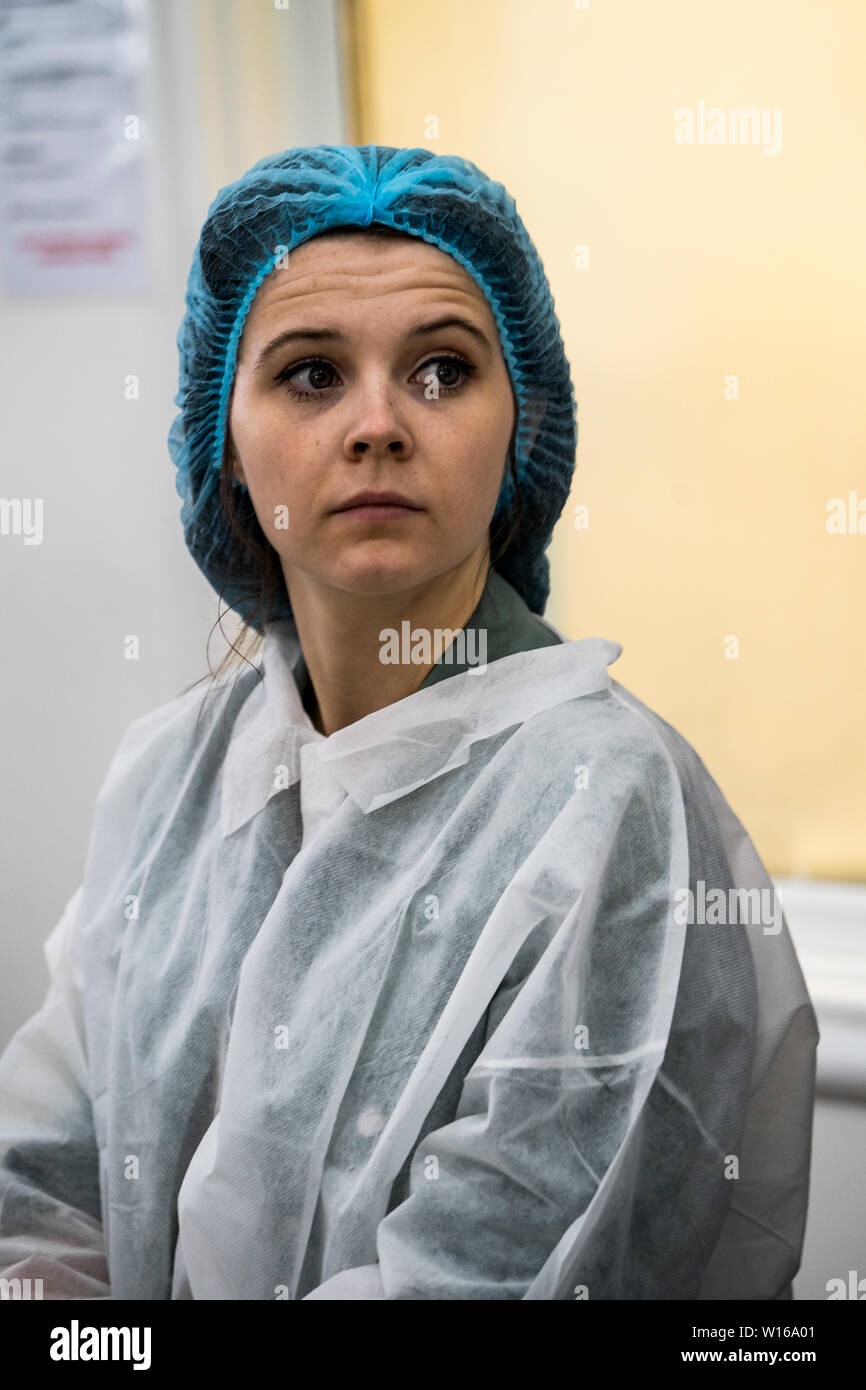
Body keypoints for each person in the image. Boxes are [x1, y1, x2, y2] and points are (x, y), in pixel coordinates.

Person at [0, 144, 818, 1301]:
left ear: (517, 428)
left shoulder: (609, 808)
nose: (378, 422)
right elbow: (43, 1185)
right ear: (221, 446)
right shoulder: (170, 777)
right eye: (309, 374)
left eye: (440, 371)